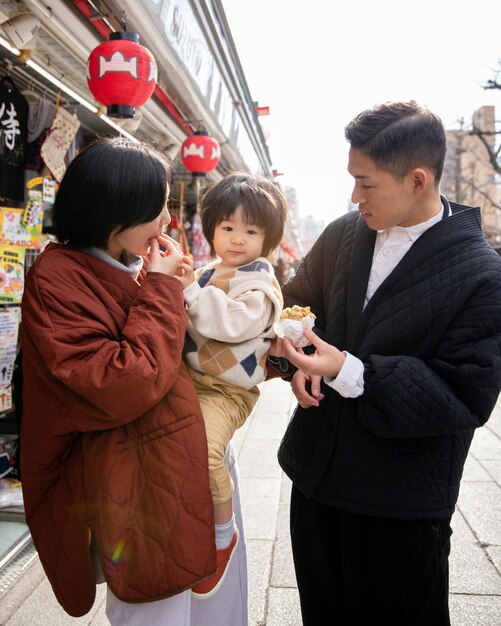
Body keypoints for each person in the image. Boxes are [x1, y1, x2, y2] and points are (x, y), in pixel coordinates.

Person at [272, 101, 501, 625]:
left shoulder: (483, 275)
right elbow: (299, 306)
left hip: (399, 507)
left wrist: (349, 370)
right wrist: (298, 361)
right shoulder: (342, 233)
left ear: (417, 179)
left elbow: (466, 396)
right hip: (317, 480)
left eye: (366, 183)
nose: (355, 196)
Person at [20, 136, 222, 625]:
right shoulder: (58, 280)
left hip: (152, 477)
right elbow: (123, 383)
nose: (168, 223)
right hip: (127, 492)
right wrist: (160, 288)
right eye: (158, 211)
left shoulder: (118, 266)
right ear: (117, 215)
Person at [175, 172, 287, 598]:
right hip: (188, 378)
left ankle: (224, 533)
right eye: (227, 228)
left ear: (267, 239)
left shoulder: (260, 285)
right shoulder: (204, 272)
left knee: (205, 453)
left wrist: (189, 291)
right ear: (212, 230)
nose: (237, 239)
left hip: (227, 390)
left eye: (251, 230)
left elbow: (232, 322)